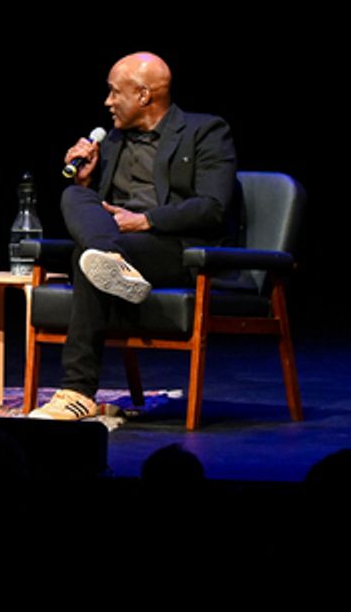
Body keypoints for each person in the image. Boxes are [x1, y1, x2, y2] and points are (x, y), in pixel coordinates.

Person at [30, 51, 237, 420]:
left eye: (114, 93)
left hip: (174, 249)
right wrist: (86, 180)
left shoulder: (205, 131)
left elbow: (213, 206)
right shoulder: (111, 142)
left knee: (88, 257)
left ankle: (77, 391)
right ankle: (109, 260)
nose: (107, 102)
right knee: (74, 195)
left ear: (143, 96)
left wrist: (147, 221)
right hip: (118, 244)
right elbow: (95, 208)